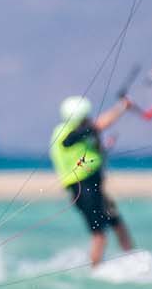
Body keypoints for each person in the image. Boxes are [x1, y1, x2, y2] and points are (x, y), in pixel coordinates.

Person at [50, 95, 137, 267]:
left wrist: (102, 147)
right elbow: (98, 126)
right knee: (99, 233)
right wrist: (121, 108)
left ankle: (133, 260)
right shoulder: (68, 134)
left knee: (117, 222)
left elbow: (92, 143)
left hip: (94, 188)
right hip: (84, 190)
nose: (89, 119)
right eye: (86, 117)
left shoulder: (78, 134)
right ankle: (96, 269)